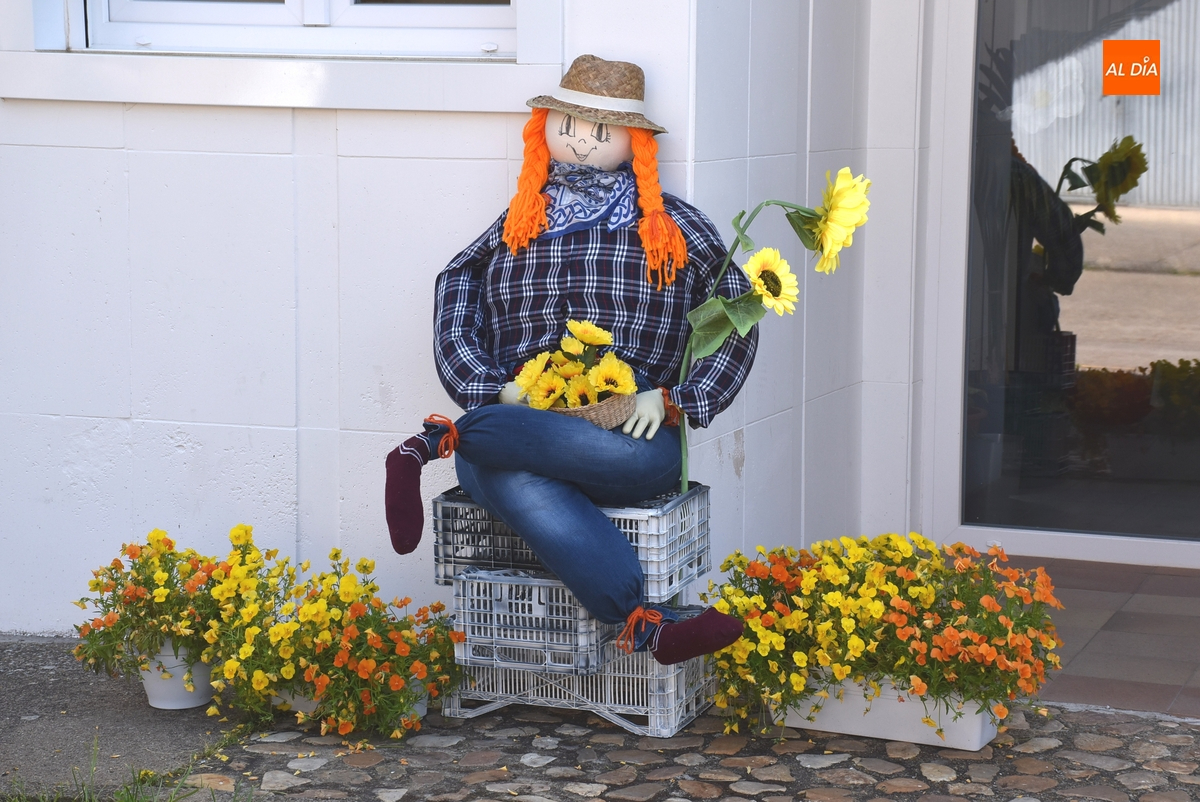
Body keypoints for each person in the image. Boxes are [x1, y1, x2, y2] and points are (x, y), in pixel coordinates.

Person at [384, 54, 756, 665]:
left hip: (631, 441)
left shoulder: (672, 226)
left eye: (601, 132)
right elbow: (455, 283)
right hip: (515, 428)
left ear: (633, 142)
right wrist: (484, 384)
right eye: (570, 127)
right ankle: (647, 624)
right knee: (512, 471)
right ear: (546, 130)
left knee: (494, 451)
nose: (583, 143)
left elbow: (740, 309)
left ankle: (435, 443)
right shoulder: (520, 220)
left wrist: (674, 399)